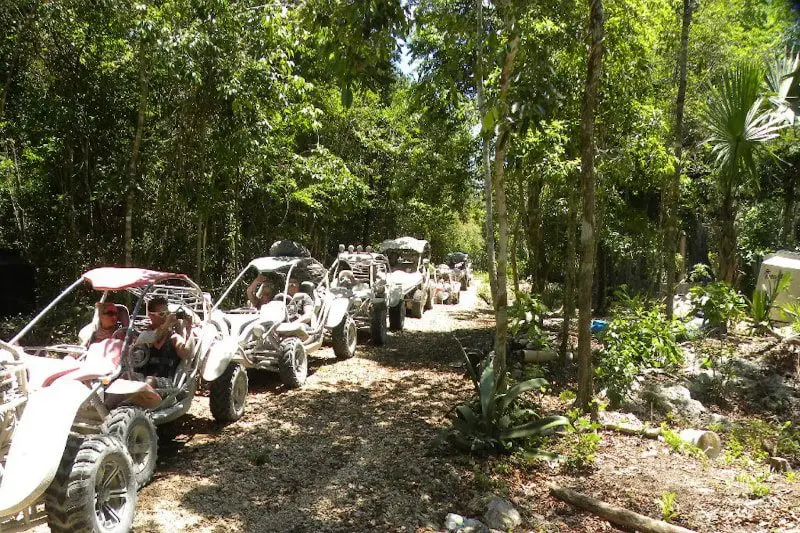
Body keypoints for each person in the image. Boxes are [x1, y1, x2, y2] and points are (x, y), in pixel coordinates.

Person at [134, 296, 192, 384]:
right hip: (142, 380)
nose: (165, 317)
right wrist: (167, 323)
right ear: (151, 315)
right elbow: (155, 337)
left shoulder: (174, 337)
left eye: (167, 313)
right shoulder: (145, 335)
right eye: (162, 314)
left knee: (150, 381)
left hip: (165, 383)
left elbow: (186, 354)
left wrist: (188, 328)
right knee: (124, 377)